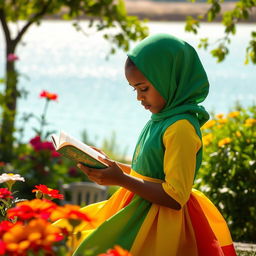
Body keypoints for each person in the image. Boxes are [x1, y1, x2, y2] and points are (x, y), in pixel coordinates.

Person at [56, 33, 237, 256]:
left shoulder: (180, 127)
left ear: (169, 79)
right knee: (67, 236)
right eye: (135, 89)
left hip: (160, 224)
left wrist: (120, 179)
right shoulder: (161, 119)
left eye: (144, 88)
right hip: (137, 208)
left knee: (87, 248)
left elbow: (175, 196)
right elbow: (148, 174)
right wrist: (109, 165)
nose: (139, 97)